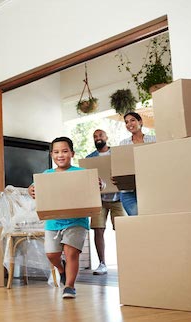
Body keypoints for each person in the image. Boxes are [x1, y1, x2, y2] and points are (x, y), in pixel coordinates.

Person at [28, 136, 103, 299]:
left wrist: (100, 184)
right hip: (53, 222)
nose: (60, 155)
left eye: (64, 151)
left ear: (72, 153)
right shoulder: (47, 174)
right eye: (56, 152)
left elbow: (98, 184)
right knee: (51, 255)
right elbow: (35, 188)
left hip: (77, 220)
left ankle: (69, 286)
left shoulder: (81, 173)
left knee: (71, 253)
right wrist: (31, 190)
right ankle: (61, 269)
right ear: (51, 155)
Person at [86, 129, 126, 275]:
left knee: (122, 230)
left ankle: (125, 261)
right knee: (98, 230)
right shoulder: (90, 158)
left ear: (106, 137)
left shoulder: (116, 154)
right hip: (99, 200)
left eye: (100, 135)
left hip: (118, 198)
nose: (98, 138)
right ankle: (102, 263)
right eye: (95, 136)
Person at [119, 112, 156, 216]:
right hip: (129, 190)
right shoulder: (123, 144)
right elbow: (120, 165)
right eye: (126, 122)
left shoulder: (153, 140)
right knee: (137, 218)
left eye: (132, 120)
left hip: (149, 187)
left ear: (140, 121)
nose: (129, 124)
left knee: (150, 217)